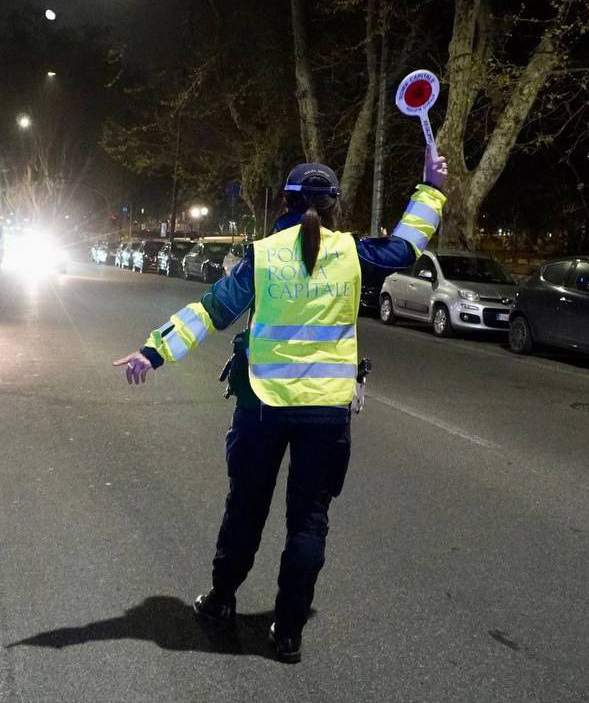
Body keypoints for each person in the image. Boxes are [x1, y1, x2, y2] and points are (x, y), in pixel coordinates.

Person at [113, 145, 448, 663]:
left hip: (263, 408)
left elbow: (211, 311)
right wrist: (431, 188)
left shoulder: (264, 255)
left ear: (284, 202)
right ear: (334, 205)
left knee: (246, 509)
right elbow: (406, 247)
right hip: (327, 411)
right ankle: (288, 632)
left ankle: (221, 600)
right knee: (308, 522)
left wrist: (154, 352)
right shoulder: (352, 253)